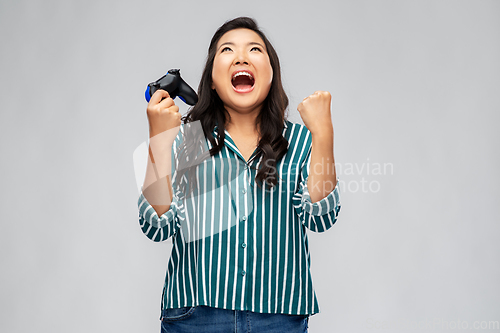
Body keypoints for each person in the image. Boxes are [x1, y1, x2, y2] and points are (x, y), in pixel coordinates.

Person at [138, 17, 341, 333]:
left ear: (271, 75)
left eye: (255, 49)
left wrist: (324, 134)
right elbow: (155, 226)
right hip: (195, 317)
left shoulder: (302, 140)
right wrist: (159, 143)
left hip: (280, 317)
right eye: (227, 50)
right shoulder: (184, 140)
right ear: (213, 81)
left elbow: (322, 217)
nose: (242, 57)